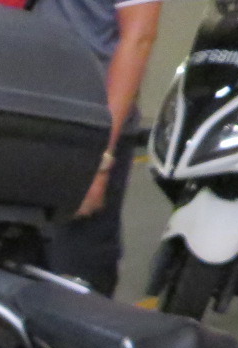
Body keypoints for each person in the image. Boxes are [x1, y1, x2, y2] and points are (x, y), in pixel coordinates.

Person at [29, 0, 163, 297]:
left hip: (81, 128)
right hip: (16, 116)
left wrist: (100, 158)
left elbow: (138, 38)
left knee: (73, 283)